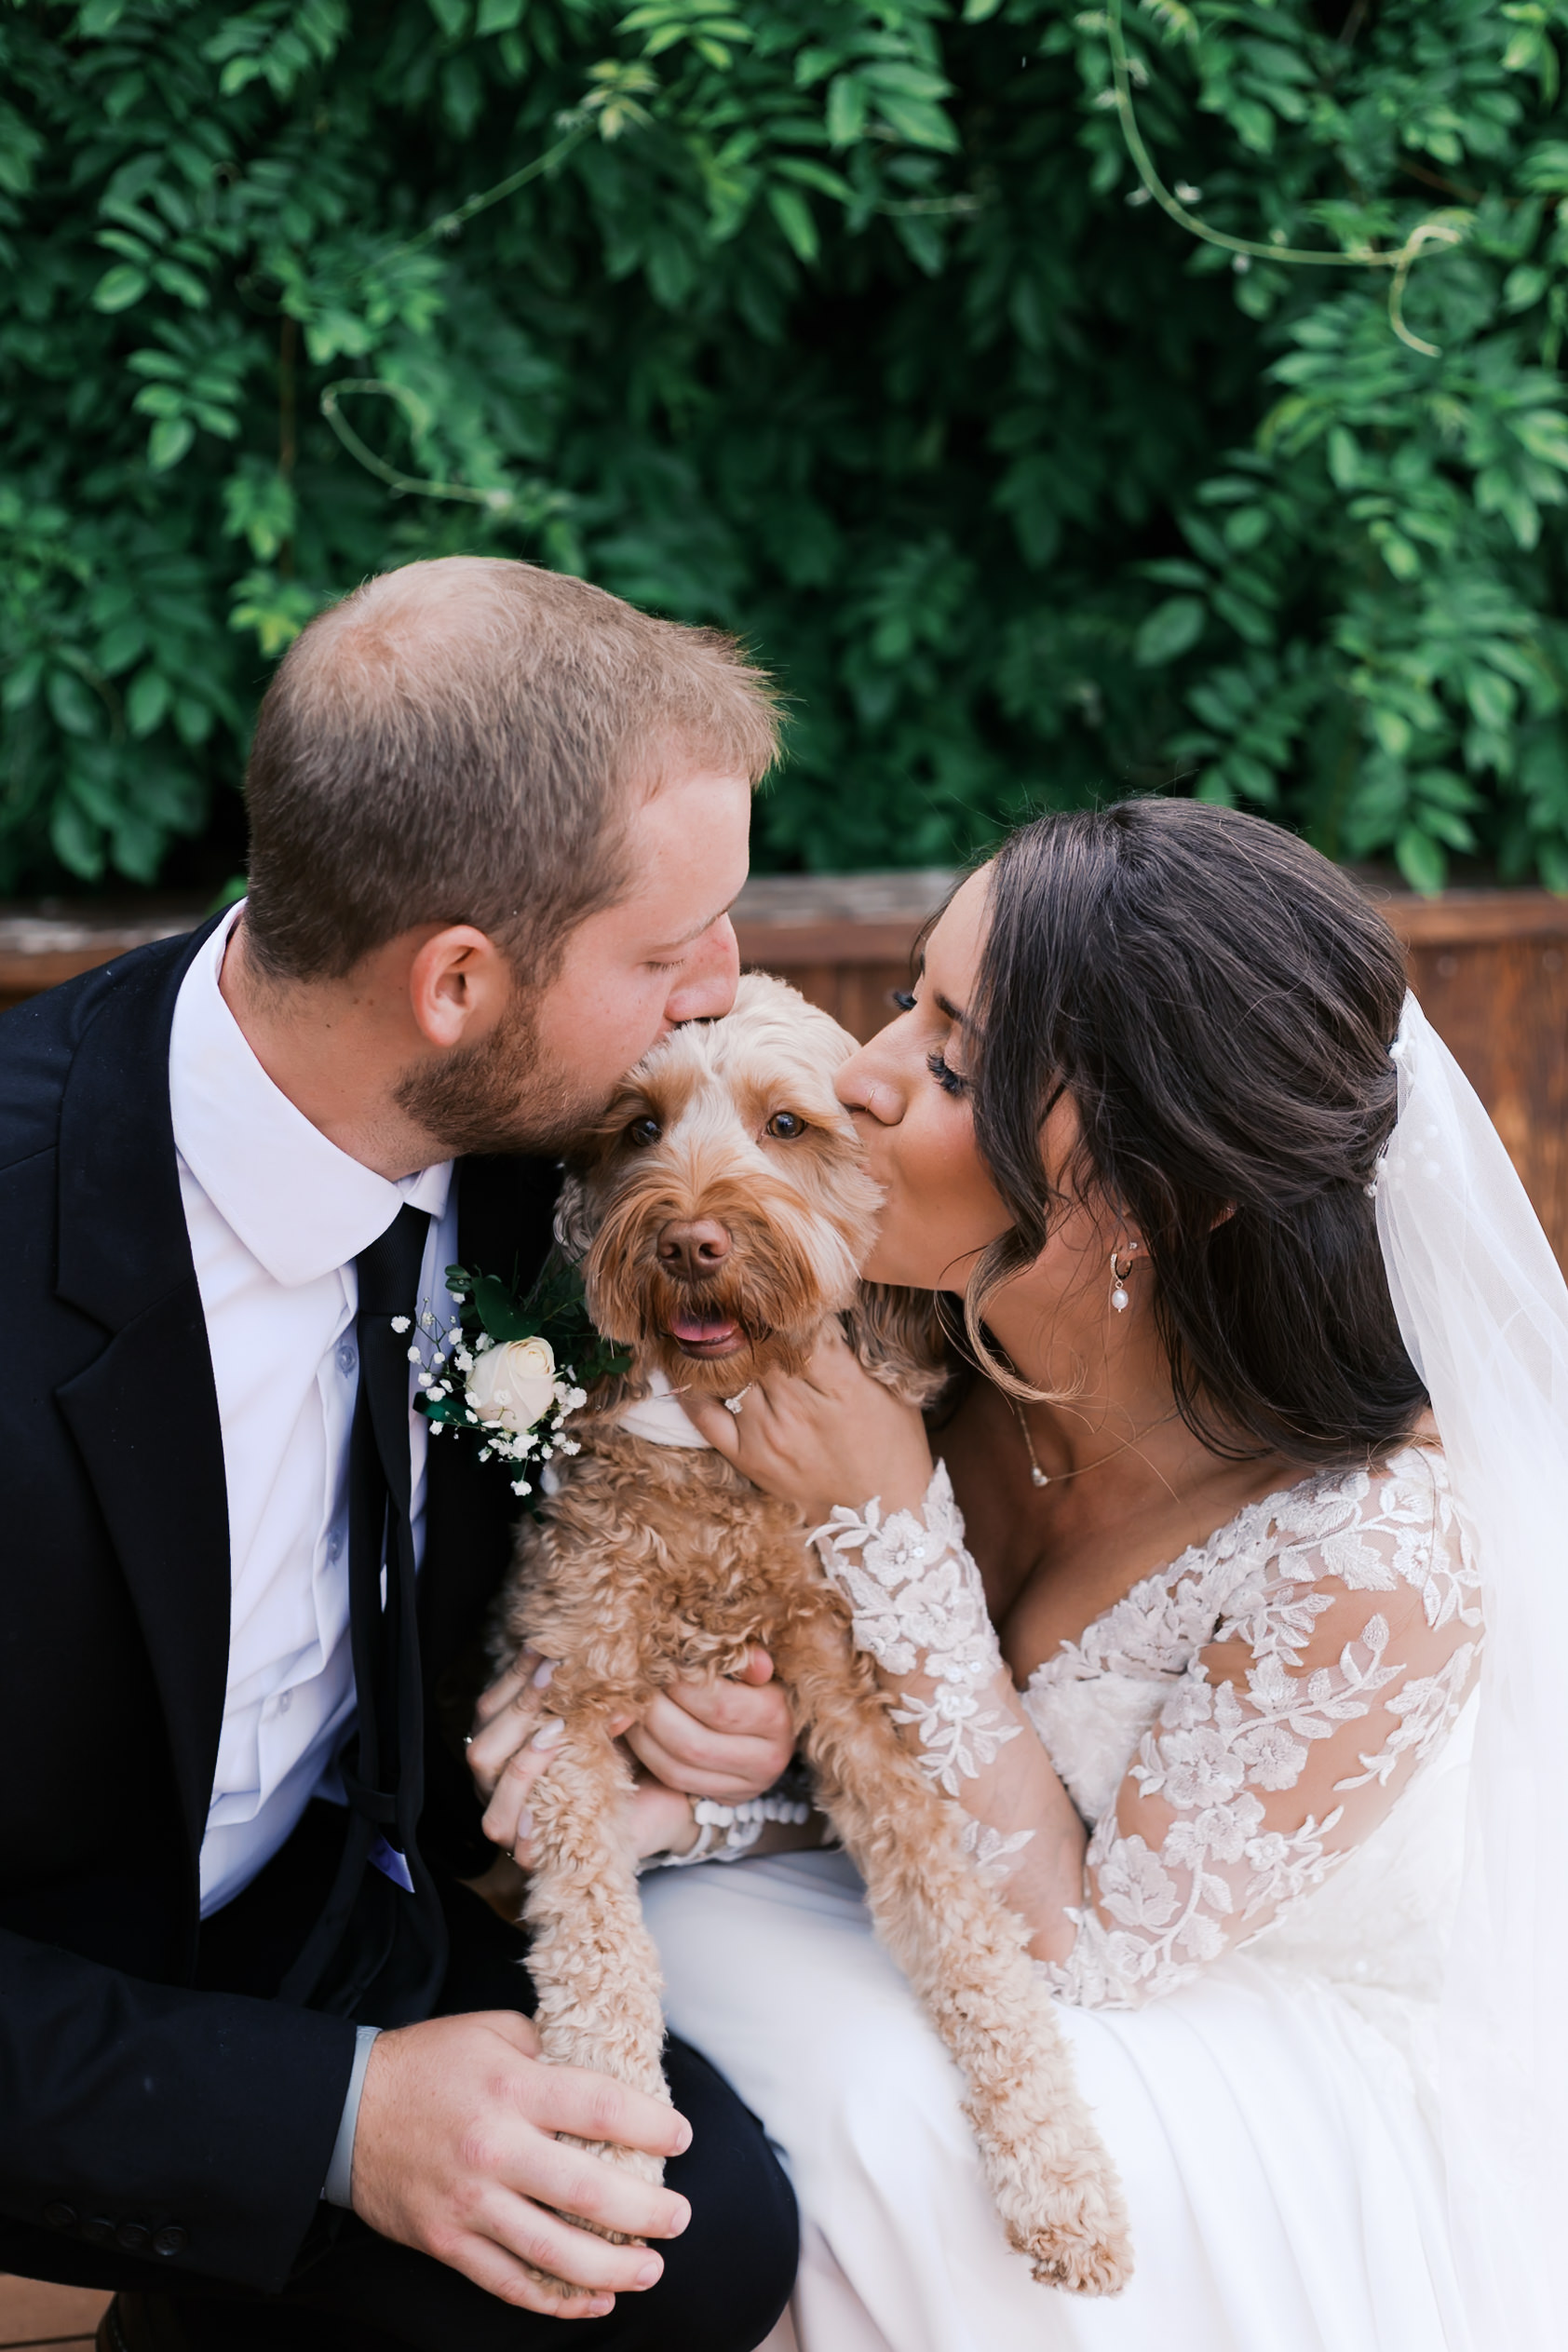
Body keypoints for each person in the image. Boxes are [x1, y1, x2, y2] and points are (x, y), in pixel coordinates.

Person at [491, 798, 1564, 2350]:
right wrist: (715, 1779)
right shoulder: (912, 1330)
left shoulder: (1375, 1552)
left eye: (945, 1058)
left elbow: (1097, 1947)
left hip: (1194, 2036)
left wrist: (893, 1514)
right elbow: (852, 1721)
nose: (862, 1072)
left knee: (881, 2131)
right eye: (911, 996)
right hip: (936, 1927)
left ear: (1152, 1191)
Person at [0, 556, 801, 2352]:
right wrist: (338, 2120)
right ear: (457, 980)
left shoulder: (544, 1148)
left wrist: (713, 1704)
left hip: (367, 1897)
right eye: (672, 953)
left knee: (690, 2229)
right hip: (65, 1992)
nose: (717, 992)